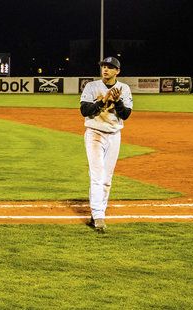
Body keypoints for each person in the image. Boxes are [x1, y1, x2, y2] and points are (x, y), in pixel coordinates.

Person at [80, 56, 133, 232]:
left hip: (114, 135)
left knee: (107, 179)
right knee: (97, 176)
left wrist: (117, 102)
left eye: (110, 67)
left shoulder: (123, 88)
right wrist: (102, 101)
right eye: (103, 66)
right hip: (94, 134)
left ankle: (96, 214)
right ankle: (99, 216)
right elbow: (84, 111)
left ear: (117, 71)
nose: (105, 69)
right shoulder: (91, 86)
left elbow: (125, 115)